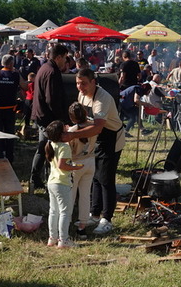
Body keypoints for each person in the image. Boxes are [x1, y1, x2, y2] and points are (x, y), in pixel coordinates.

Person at [62, 68, 125, 235]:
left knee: (106, 179)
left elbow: (97, 127)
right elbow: (83, 121)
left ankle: (107, 219)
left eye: (83, 83)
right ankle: (95, 214)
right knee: (96, 176)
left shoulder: (102, 98)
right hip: (96, 138)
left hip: (111, 138)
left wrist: (72, 135)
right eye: (77, 83)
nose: (80, 87)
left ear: (93, 82)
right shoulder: (82, 95)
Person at [29, 45, 70, 193]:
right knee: (48, 150)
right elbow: (51, 99)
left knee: (42, 149)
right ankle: (45, 181)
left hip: (41, 115)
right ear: (58, 57)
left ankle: (35, 179)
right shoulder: (52, 72)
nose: (65, 61)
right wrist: (61, 119)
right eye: (64, 58)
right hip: (48, 118)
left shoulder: (44, 67)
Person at [44, 120, 83, 248]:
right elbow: (62, 165)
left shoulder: (51, 144)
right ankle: (64, 240)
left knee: (53, 211)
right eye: (65, 130)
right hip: (62, 183)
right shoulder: (64, 147)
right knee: (65, 212)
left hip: (52, 182)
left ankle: (52, 238)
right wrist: (75, 168)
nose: (67, 131)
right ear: (61, 134)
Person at [67, 102, 97, 240]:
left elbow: (68, 151)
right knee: (85, 195)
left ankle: (66, 224)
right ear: (85, 113)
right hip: (90, 161)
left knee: (70, 196)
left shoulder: (72, 131)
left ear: (72, 118)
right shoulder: (93, 124)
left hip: (76, 163)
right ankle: (82, 227)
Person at [0, 54, 26, 162]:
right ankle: (9, 157)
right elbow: (25, 86)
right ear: (11, 64)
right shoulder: (15, 75)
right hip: (10, 109)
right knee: (9, 134)